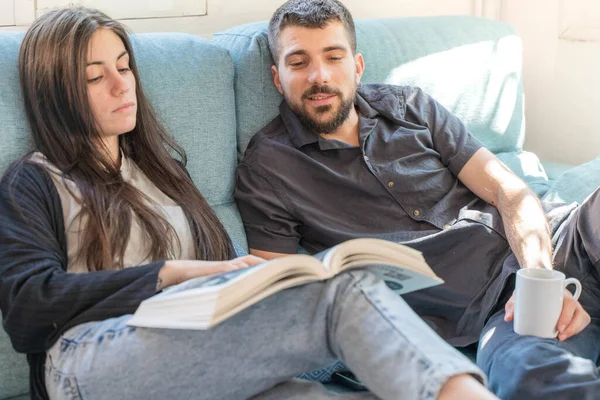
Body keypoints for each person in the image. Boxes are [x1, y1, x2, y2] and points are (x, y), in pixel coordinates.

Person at [0, 7, 499, 400]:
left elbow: (216, 285)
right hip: (89, 361)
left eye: (125, 66)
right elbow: (27, 307)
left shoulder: (163, 172)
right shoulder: (36, 181)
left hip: (192, 343)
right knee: (343, 294)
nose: (121, 84)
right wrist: (171, 273)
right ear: (57, 90)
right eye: (94, 77)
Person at [234, 0, 600, 399]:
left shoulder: (411, 107)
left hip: (561, 240)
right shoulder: (267, 167)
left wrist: (541, 280)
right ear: (277, 77)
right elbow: (284, 297)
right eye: (298, 62)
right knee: (537, 381)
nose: (319, 76)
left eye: (332, 57)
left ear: (356, 66)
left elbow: (507, 190)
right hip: (497, 314)